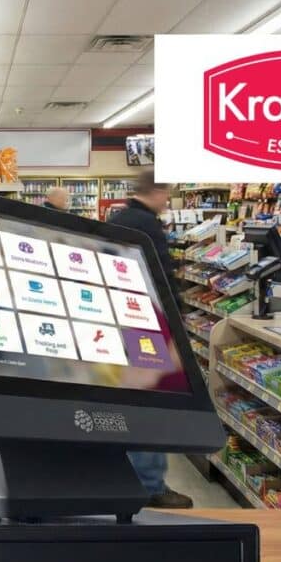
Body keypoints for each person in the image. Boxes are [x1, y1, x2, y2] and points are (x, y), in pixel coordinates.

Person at [110, 171, 193, 510]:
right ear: (156, 191)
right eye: (166, 194)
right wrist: (176, 321)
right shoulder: (147, 224)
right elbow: (160, 278)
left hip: (121, 317)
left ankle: (124, 476)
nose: (167, 201)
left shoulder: (119, 217)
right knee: (153, 402)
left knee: (129, 399)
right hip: (147, 322)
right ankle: (149, 484)